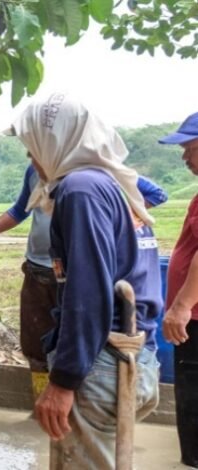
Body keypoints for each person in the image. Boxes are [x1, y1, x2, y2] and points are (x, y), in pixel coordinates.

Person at [9, 93, 160, 469]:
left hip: (101, 361)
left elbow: (87, 294)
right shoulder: (109, 183)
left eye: (32, 149)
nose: (33, 159)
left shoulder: (81, 191)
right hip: (133, 355)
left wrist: (63, 381)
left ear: (55, 141)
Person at [0, 166, 168, 403]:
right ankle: (42, 406)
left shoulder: (96, 172)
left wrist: (120, 219)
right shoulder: (35, 171)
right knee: (36, 345)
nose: (31, 155)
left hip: (77, 271)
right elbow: (19, 210)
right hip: (39, 267)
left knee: (73, 339)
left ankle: (68, 399)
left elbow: (157, 194)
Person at [157, 111, 198, 468]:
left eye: (191, 148)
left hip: (196, 320)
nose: (185, 157)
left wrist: (182, 305)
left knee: (194, 404)